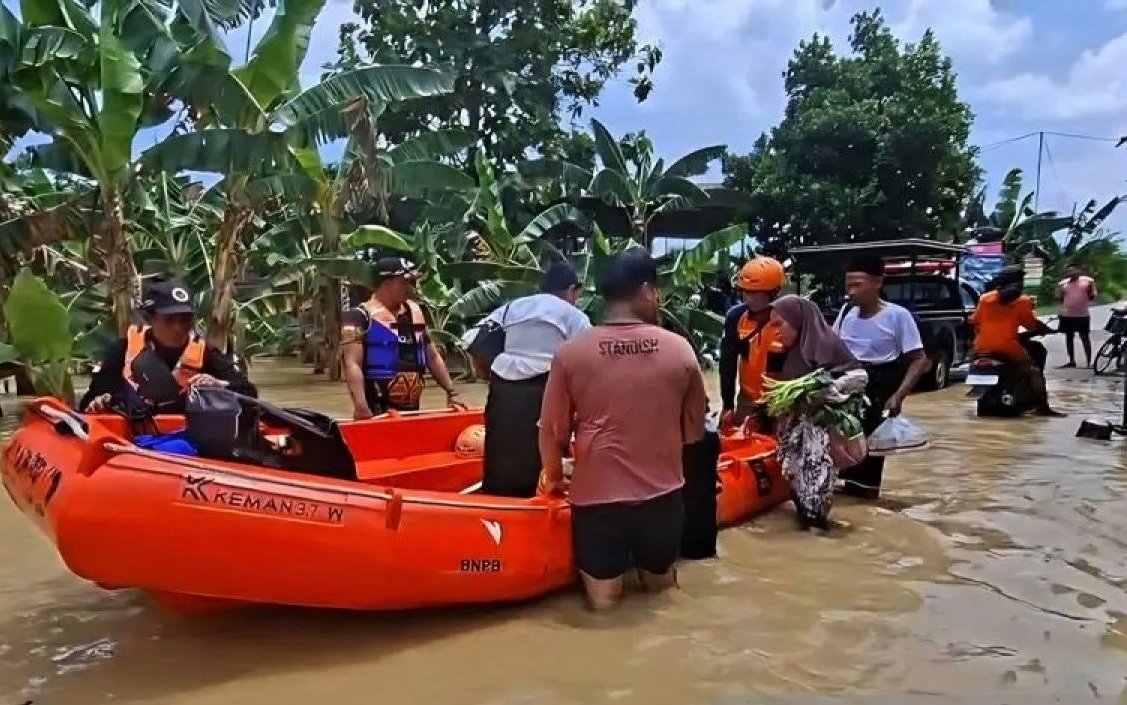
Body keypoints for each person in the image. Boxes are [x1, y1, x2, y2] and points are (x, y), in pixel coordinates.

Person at [538, 248, 707, 610]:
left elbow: (552, 432)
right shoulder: (680, 351)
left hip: (596, 501)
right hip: (662, 499)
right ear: (646, 290)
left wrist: (554, 477)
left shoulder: (570, 353)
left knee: (604, 607)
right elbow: (695, 434)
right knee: (662, 596)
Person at [465, 263, 591, 498]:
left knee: (501, 450)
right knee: (543, 456)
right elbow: (588, 362)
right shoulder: (575, 316)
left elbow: (476, 342)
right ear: (572, 290)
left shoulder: (512, 307)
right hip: (545, 388)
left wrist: (488, 372)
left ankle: (497, 507)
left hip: (504, 389)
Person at [79, 278, 257, 414]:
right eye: (169, 320)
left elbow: (249, 393)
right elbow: (89, 402)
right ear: (151, 318)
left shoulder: (206, 353)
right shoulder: (123, 350)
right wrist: (101, 402)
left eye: (185, 319)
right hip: (132, 436)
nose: (178, 328)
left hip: (180, 437)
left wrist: (220, 385)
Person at [832, 255, 930, 500]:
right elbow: (831, 348)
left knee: (870, 453)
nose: (851, 292)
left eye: (858, 285)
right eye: (848, 286)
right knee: (842, 444)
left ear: (877, 283)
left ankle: (865, 501)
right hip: (847, 385)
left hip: (879, 388)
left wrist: (898, 396)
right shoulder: (846, 313)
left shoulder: (898, 316)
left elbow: (919, 360)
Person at [769, 295, 867, 530]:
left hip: (823, 429)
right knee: (795, 478)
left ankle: (817, 531)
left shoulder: (827, 345)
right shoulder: (788, 352)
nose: (776, 333)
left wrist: (829, 390)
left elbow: (859, 377)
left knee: (817, 482)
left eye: (779, 325)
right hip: (797, 428)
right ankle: (808, 526)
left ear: (799, 321)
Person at [341, 257, 463, 419]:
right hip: (376, 410)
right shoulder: (358, 316)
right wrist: (360, 405)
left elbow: (432, 356)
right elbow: (352, 363)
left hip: (413, 409)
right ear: (386, 283)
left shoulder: (415, 312)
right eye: (404, 282)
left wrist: (451, 392)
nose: (410, 288)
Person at [970, 265, 1064, 417]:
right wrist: (1045, 329)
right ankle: (1043, 408)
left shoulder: (985, 299)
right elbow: (1031, 324)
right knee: (1034, 371)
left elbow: (975, 320)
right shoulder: (1022, 301)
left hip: (981, 348)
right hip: (1008, 348)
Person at [718, 257, 786, 429]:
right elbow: (727, 362)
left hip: (783, 403)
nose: (748, 297)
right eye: (745, 291)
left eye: (755, 292)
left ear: (774, 292)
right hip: (748, 401)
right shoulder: (736, 317)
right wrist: (727, 405)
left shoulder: (790, 318)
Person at [1057, 262, 1097, 368]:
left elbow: (1092, 295)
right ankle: (1071, 360)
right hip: (1067, 315)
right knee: (1069, 337)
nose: (1071, 272)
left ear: (1079, 271)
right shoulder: (1063, 283)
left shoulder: (1088, 281)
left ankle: (1089, 361)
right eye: (1069, 270)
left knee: (1084, 337)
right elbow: (1060, 298)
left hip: (1082, 315)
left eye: (1073, 270)